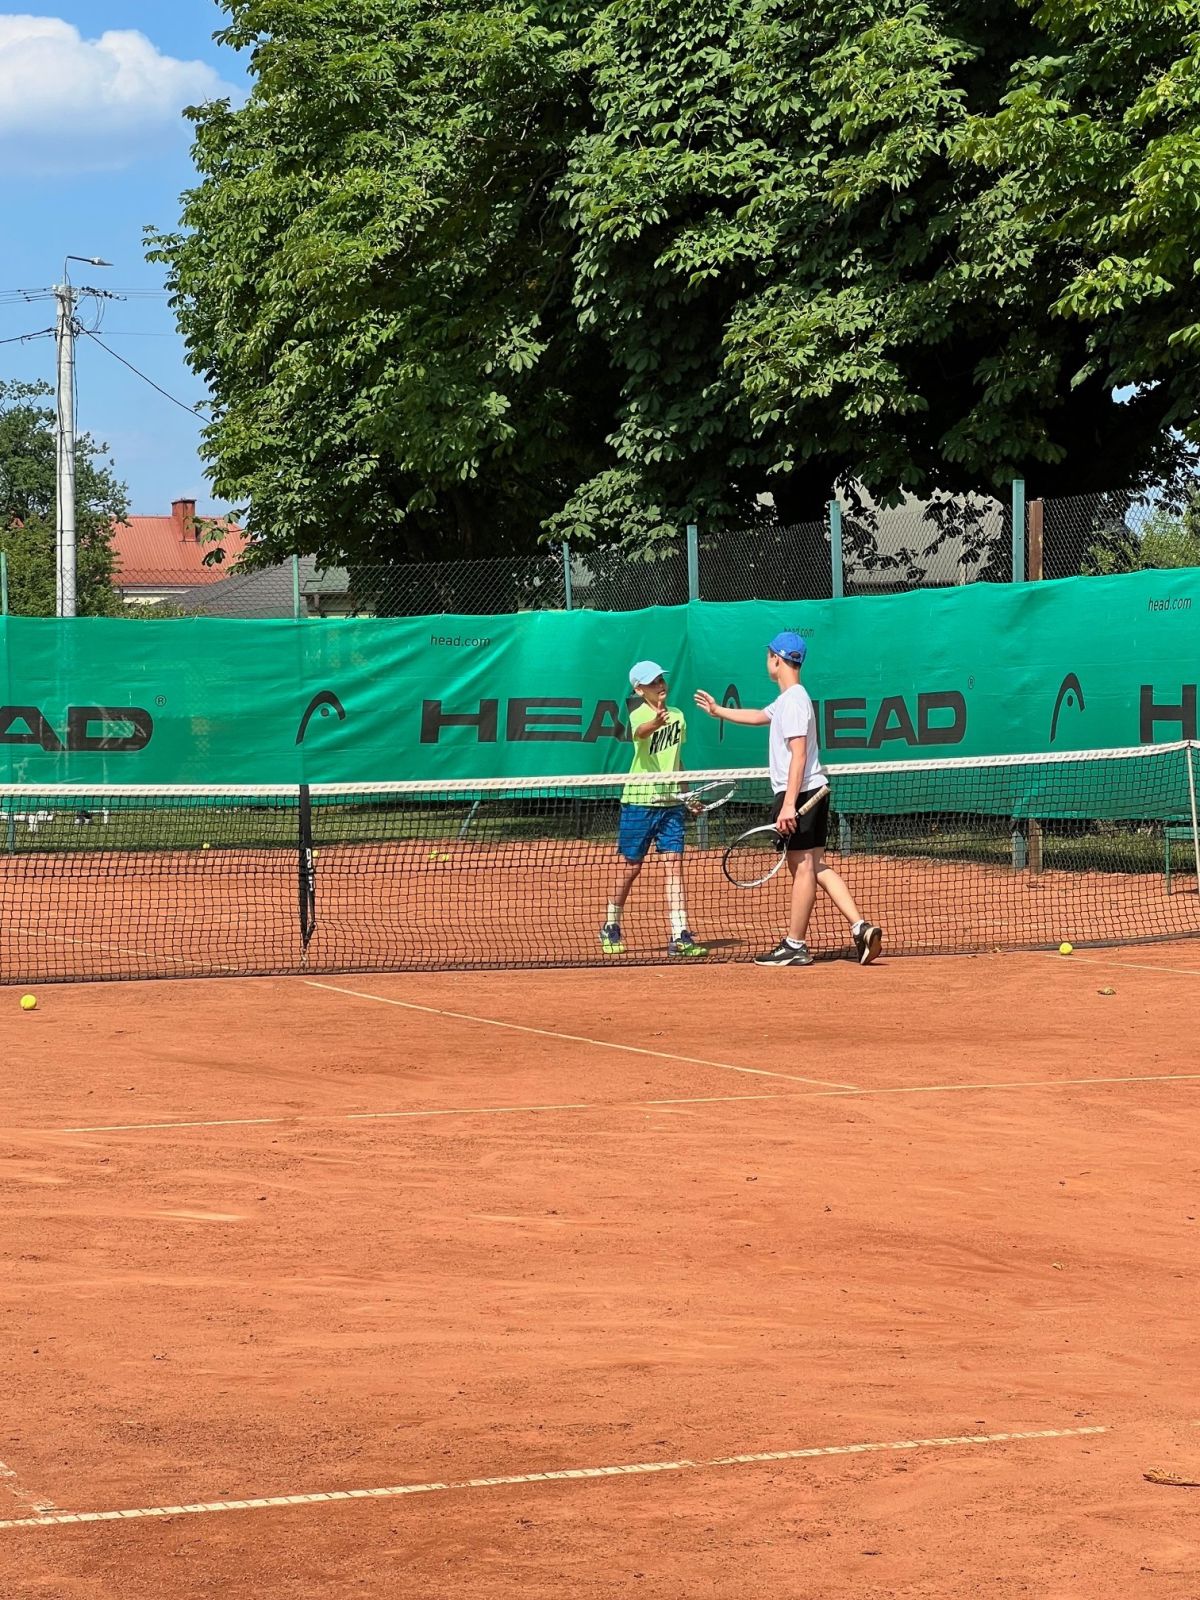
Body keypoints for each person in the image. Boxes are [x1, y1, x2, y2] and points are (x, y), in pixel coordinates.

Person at [694, 631, 882, 968]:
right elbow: (758, 716)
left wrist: (788, 804)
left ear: (776, 659)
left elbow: (798, 755)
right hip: (812, 790)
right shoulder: (788, 700)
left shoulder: (794, 701)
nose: (766, 660)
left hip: (800, 792)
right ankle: (860, 927)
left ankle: (795, 944)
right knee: (816, 866)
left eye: (768, 655)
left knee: (803, 867)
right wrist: (718, 711)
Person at [600, 660, 708, 959]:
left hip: (671, 805)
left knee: (674, 865)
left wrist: (687, 795)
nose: (660, 685)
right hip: (639, 802)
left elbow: (676, 760)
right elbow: (640, 732)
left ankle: (680, 934)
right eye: (652, 682)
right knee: (631, 867)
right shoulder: (639, 714)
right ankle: (611, 924)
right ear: (639, 689)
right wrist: (656, 723)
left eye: (661, 679)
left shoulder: (679, 716)